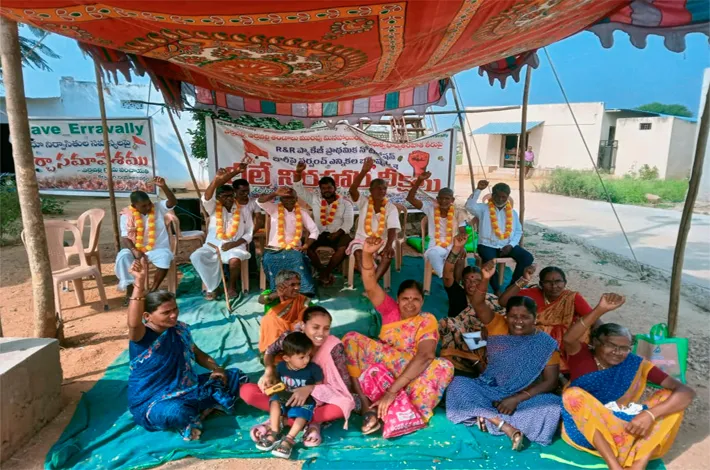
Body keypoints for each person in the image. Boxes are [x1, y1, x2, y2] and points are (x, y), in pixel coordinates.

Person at [562, 305, 695, 470]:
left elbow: (687, 392)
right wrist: (600, 309)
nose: (618, 352)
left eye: (624, 348)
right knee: (572, 395)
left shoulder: (635, 363)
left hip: (622, 426)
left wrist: (650, 415)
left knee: (670, 397)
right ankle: (614, 466)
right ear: (595, 342)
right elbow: (569, 338)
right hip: (585, 430)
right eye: (611, 345)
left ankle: (638, 464)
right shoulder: (581, 356)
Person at [343, 237, 454, 434]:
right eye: (405, 299)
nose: (410, 304)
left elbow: (425, 356)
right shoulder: (390, 311)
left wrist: (392, 391)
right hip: (385, 369)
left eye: (415, 299)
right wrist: (367, 254)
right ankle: (366, 403)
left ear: (422, 302)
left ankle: (400, 407)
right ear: (397, 300)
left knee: (444, 366)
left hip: (411, 372)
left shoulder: (426, 319)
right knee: (351, 339)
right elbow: (370, 285)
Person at [446, 260, 561, 451]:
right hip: (487, 388)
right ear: (506, 316)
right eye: (513, 316)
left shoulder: (546, 344)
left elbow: (551, 382)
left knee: (552, 407)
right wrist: (485, 279)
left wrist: (516, 399)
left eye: (525, 317)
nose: (518, 322)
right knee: (458, 385)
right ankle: (504, 425)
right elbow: (477, 302)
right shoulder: (498, 324)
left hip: (521, 397)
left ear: (535, 319)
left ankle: (484, 416)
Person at [126, 258, 242, 440]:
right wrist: (139, 283)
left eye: (175, 309)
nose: (174, 315)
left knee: (235, 376)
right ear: (147, 316)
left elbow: (197, 353)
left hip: (187, 387)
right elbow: (133, 324)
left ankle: (201, 409)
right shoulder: (141, 337)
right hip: (154, 399)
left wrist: (216, 368)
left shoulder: (179, 329)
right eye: (166, 312)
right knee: (177, 412)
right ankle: (199, 411)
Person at [242, 306, 361, 447]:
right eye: (315, 327)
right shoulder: (292, 338)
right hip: (286, 394)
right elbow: (270, 351)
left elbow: (343, 384)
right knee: (247, 391)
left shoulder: (334, 347)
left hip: (317, 400)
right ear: (303, 325)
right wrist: (269, 371)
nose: (321, 333)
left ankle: (280, 421)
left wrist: (310, 389)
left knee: (346, 404)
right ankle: (306, 422)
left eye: (326, 328)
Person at [499, 265, 601, 374]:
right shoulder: (532, 294)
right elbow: (503, 302)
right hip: (538, 340)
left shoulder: (571, 297)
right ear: (541, 284)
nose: (554, 286)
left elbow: (594, 318)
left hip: (565, 342)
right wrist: (524, 280)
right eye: (548, 282)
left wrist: (600, 340)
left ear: (565, 283)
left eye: (558, 281)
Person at [438, 233, 506, 374]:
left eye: (476, 281)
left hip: (486, 340)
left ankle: (487, 362)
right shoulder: (457, 294)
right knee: (447, 323)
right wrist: (456, 249)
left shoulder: (489, 298)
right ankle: (475, 362)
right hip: (462, 341)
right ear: (462, 282)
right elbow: (447, 275)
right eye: (468, 280)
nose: (472, 284)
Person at [254, 332, 324, 459]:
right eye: (302, 357)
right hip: (286, 396)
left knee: (303, 412)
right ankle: (274, 432)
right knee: (274, 400)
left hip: (304, 400)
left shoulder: (314, 369)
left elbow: (320, 387)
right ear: (286, 358)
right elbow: (278, 382)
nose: (307, 360)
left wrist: (310, 389)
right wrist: (271, 385)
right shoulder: (281, 367)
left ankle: (289, 439)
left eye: (308, 355)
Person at [190, 166, 253, 300]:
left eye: (231, 196)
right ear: (218, 198)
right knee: (196, 256)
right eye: (225, 196)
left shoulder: (244, 210)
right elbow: (207, 197)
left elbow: (249, 232)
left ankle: (231, 287)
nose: (229, 199)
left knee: (234, 260)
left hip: (235, 246)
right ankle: (213, 287)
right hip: (212, 246)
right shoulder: (213, 207)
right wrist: (216, 180)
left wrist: (234, 244)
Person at [465, 180, 533, 294]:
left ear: (507, 197)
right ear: (492, 195)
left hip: (507, 246)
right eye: (497, 196)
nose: (500, 199)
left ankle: (512, 286)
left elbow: (518, 231)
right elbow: (469, 206)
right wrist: (478, 189)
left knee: (527, 258)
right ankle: (497, 290)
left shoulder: (512, 212)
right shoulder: (483, 209)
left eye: (503, 197)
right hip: (487, 245)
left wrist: (511, 245)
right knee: (489, 261)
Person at [293, 161, 354, 286]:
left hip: (339, 233)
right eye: (324, 188)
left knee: (344, 248)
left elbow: (348, 223)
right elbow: (298, 189)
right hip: (319, 233)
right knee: (306, 247)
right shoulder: (315, 200)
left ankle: (326, 272)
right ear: (320, 189)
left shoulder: (345, 203)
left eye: (329, 188)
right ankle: (323, 272)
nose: (327, 190)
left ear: (335, 188)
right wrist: (298, 172)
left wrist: (338, 233)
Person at [116, 177, 177, 302]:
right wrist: (134, 250)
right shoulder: (127, 215)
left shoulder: (158, 207)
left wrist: (163, 186)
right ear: (134, 206)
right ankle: (130, 291)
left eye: (149, 203)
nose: (148, 207)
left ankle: (152, 291)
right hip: (135, 249)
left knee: (165, 256)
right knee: (123, 257)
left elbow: (172, 202)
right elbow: (125, 237)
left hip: (157, 248)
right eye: (143, 206)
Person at [258, 187, 319, 296]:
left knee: (298, 259)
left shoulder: (302, 213)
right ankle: (277, 291)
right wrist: (275, 193)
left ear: (296, 199)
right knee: (268, 259)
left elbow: (314, 231)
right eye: (285, 198)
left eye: (291, 198)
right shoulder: (274, 209)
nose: (289, 200)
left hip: (294, 249)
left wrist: (305, 246)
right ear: (281, 199)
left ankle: (303, 292)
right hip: (274, 249)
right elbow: (260, 201)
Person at [347, 158, 401, 282]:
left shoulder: (391, 207)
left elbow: (392, 228)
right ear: (371, 191)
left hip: (382, 240)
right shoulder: (364, 202)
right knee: (358, 253)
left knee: (387, 255)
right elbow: (352, 190)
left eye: (384, 188)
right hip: (362, 239)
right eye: (378, 188)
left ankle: (372, 283)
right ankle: (369, 281)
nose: (382, 191)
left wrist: (388, 246)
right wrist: (364, 171)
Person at [406, 171, 467, 277]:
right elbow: (410, 199)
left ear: (452, 200)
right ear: (437, 199)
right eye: (441, 198)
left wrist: (462, 246)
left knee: (460, 257)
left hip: (453, 244)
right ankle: (445, 277)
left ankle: (455, 283)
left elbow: (463, 232)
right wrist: (419, 181)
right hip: (435, 245)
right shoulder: (430, 208)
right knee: (432, 254)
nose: (443, 201)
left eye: (447, 198)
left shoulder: (458, 212)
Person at [257, 270, 311, 353]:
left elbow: (315, 313)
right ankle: (272, 352)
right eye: (292, 285)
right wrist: (277, 294)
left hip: (296, 333)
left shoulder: (303, 300)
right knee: (268, 320)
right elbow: (261, 300)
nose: (297, 288)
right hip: (276, 333)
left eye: (298, 284)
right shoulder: (271, 295)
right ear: (280, 286)